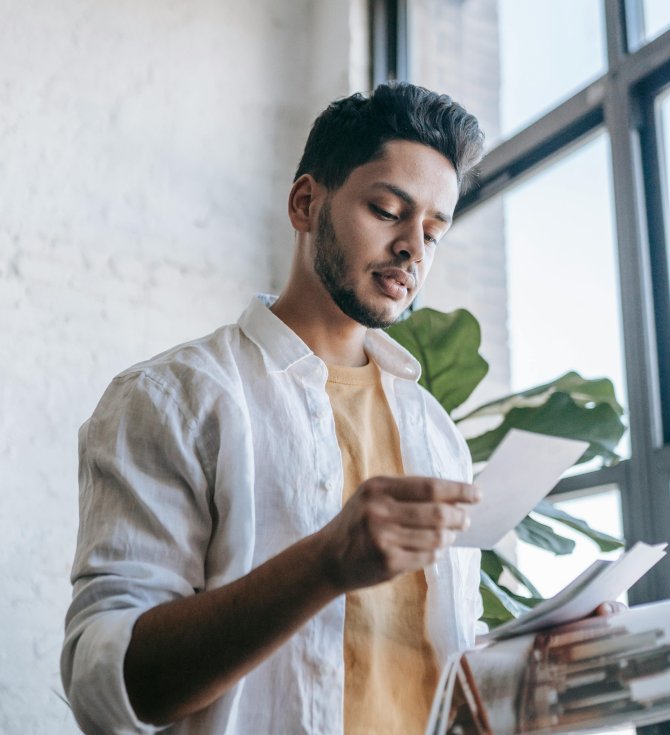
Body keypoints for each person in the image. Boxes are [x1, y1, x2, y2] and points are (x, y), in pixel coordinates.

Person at [61, 82, 487, 735]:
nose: (413, 247)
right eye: (386, 209)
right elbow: (110, 686)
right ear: (305, 202)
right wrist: (324, 561)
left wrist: (551, 657)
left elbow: (450, 663)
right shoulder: (173, 398)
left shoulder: (435, 430)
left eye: (433, 230)